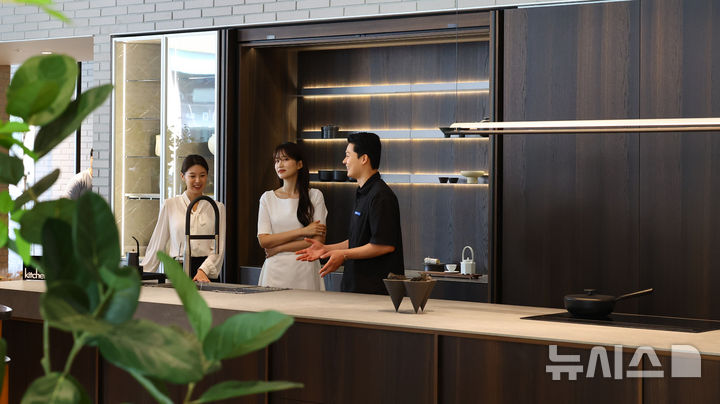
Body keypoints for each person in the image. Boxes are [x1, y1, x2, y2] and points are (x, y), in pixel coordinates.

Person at [296, 132, 404, 294]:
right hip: (356, 287)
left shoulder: (381, 195)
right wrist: (326, 249)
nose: (344, 161)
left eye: (348, 155)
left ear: (364, 159)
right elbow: (359, 240)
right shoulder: (363, 192)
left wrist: (343, 255)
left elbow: (383, 245)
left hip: (375, 291)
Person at [140, 154, 225, 282]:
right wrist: (143, 275)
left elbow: (219, 248)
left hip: (205, 274)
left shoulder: (217, 207)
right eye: (192, 176)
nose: (198, 181)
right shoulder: (170, 205)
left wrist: (203, 270)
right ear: (182, 176)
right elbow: (157, 244)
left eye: (202, 175)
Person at [257, 142, 328, 290]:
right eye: (277, 161)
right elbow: (264, 240)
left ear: (299, 164)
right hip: (275, 270)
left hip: (305, 267)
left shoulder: (315, 196)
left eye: (285, 159)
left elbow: (317, 241)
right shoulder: (267, 198)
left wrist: (278, 248)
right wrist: (303, 231)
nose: (280, 164)